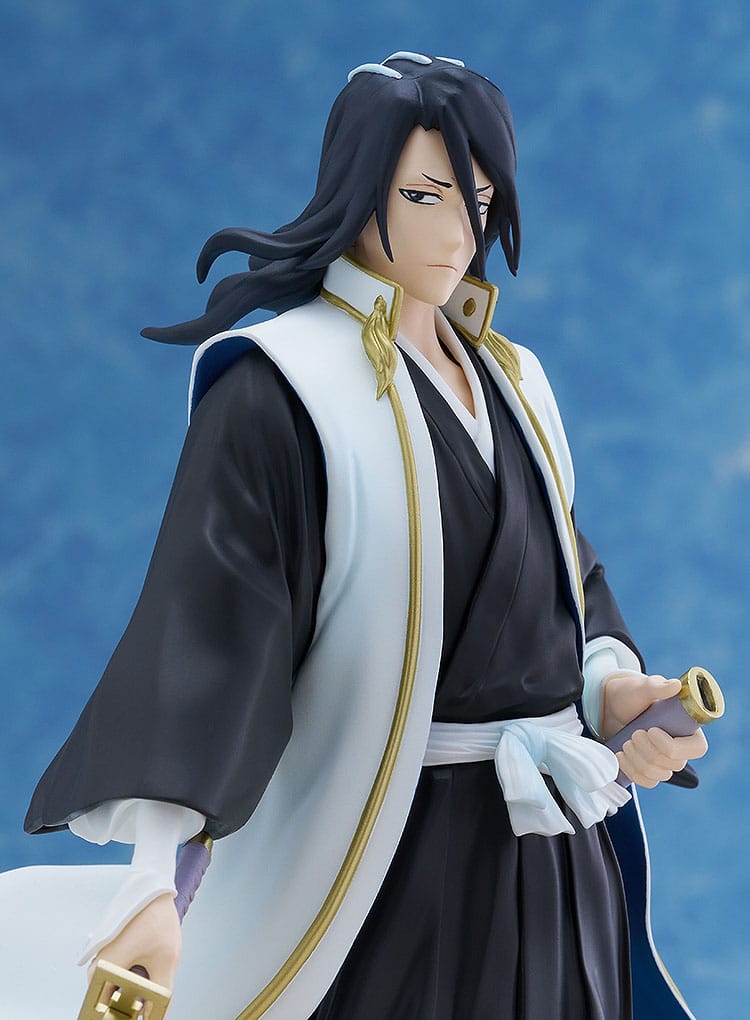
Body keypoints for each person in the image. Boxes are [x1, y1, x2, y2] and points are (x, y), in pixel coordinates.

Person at [4, 52, 707, 1019]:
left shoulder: (513, 379)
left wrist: (611, 684)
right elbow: (209, 638)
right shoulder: (286, 387)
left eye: (479, 200)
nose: (458, 233)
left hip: (554, 849)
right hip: (395, 859)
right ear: (359, 188)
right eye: (424, 195)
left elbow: (564, 576)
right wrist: (155, 879)